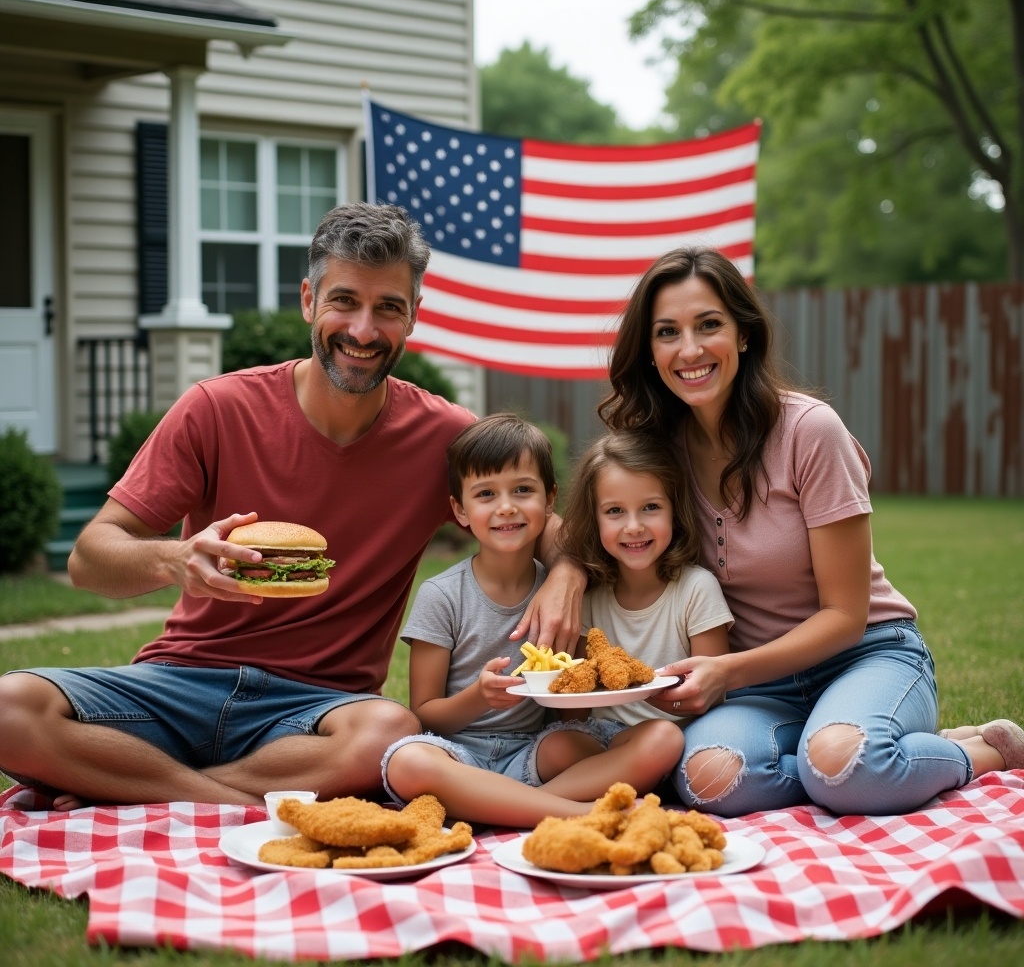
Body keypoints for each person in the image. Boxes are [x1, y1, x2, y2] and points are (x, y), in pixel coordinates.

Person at [0, 203, 579, 810]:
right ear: (308, 300)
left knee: (389, 731)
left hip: (317, 712)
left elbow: (539, 520)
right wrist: (175, 559)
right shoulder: (217, 409)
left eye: (388, 308)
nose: (362, 330)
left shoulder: (444, 438)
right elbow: (89, 558)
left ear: (413, 317)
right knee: (11, 707)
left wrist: (566, 571)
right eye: (344, 301)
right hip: (177, 684)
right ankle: (233, 798)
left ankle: (136, 785)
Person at [596, 245, 1024, 817]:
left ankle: (973, 751)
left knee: (848, 771)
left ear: (743, 334)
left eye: (709, 325)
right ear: (649, 351)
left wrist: (726, 671)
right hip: (762, 689)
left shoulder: (809, 431)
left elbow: (845, 615)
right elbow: (595, 527)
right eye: (667, 332)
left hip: (866, 655)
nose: (690, 349)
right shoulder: (657, 453)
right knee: (708, 783)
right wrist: (567, 576)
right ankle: (837, 753)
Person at [382, 414, 685, 827]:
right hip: (459, 755)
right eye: (486, 494)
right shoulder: (441, 595)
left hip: (536, 752)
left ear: (549, 499)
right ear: (460, 509)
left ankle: (507, 805)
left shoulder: (564, 596)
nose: (506, 506)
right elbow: (425, 714)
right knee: (408, 761)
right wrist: (478, 697)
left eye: (523, 490)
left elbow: (570, 711)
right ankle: (574, 812)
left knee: (664, 739)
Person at [557, 431, 733, 735]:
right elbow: (578, 706)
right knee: (559, 743)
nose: (634, 527)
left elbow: (711, 697)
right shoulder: (589, 597)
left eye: (651, 507)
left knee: (658, 740)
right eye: (615, 511)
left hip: (674, 735)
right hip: (598, 736)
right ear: (594, 519)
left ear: (674, 512)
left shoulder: (695, 590)